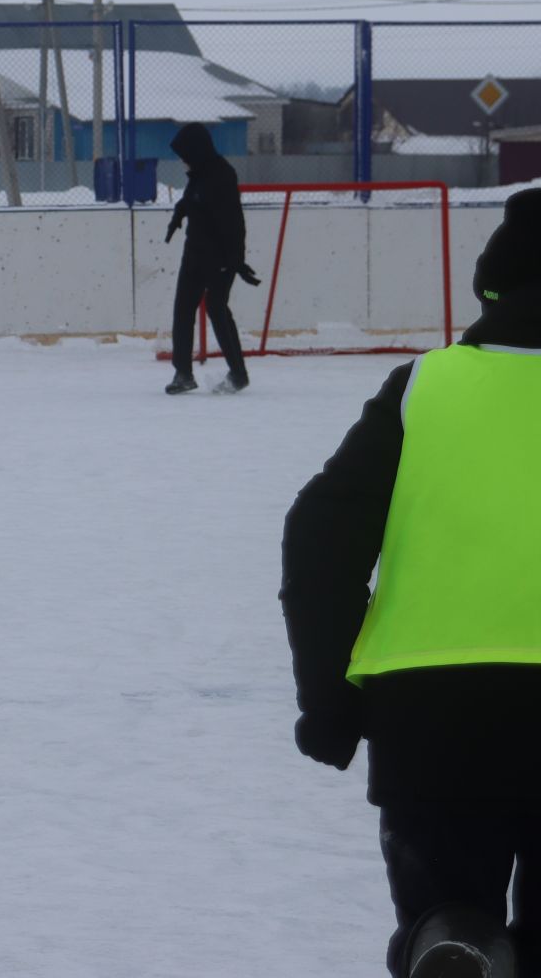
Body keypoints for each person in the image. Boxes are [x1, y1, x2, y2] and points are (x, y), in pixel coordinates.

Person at [282, 188, 541, 977]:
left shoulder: (422, 390)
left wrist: (328, 698)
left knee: (449, 902)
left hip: (431, 716)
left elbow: (320, 536)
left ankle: (454, 939)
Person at [164, 123, 259, 394]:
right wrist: (179, 213)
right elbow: (193, 200)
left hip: (219, 256)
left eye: (185, 153)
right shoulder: (197, 172)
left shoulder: (222, 175)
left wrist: (236, 260)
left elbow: (233, 221)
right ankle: (183, 373)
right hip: (194, 252)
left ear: (196, 150)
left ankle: (238, 373)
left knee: (217, 308)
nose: (182, 159)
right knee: (183, 308)